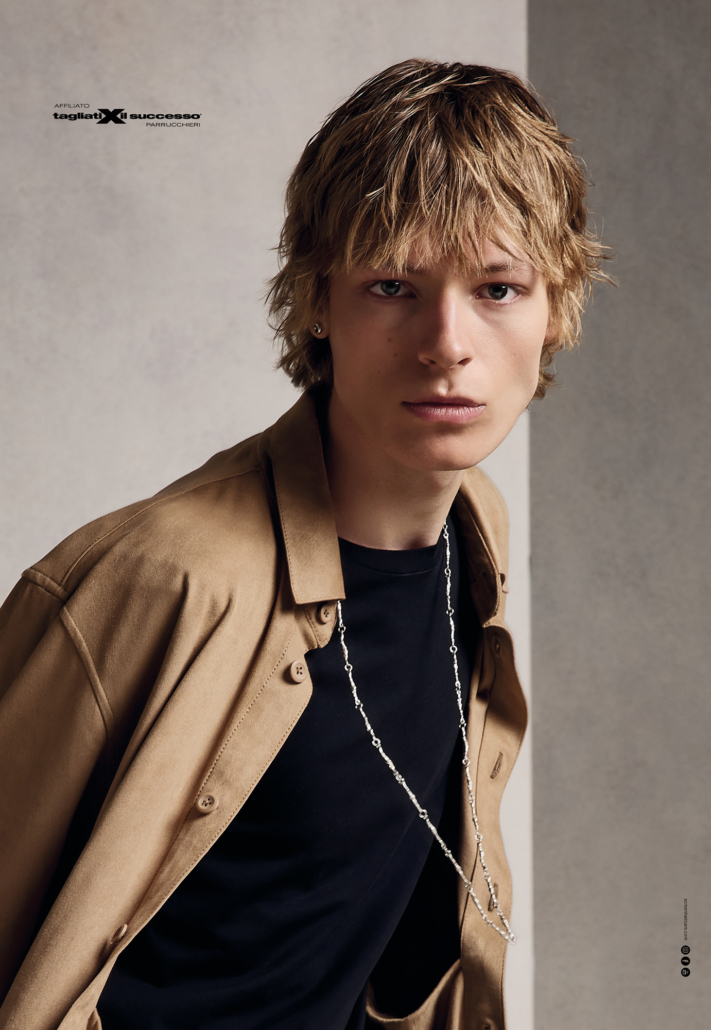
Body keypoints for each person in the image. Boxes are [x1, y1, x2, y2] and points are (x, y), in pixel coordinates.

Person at [0, 60, 603, 1030]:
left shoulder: (473, 529)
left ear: (555, 306)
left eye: (497, 288)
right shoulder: (156, 581)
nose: (447, 342)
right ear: (318, 299)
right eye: (393, 285)